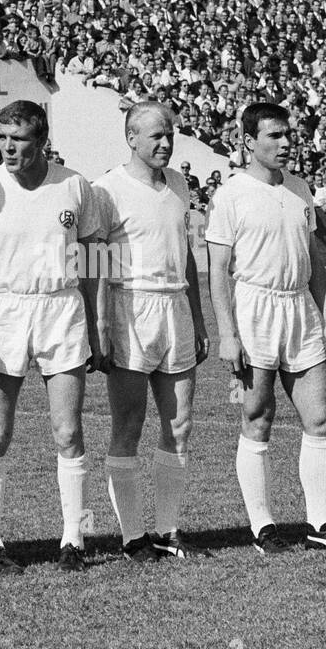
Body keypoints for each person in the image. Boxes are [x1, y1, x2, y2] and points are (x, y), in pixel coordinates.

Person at [0, 100, 102, 574]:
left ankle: (73, 540)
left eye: (18, 139)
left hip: (62, 308)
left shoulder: (75, 185)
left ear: (41, 143)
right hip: (4, 309)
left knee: (68, 430)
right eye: (2, 138)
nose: (8, 147)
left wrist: (97, 323)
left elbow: (96, 257)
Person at [207, 102, 326, 553]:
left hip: (299, 308)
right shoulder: (231, 194)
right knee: (258, 416)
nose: (285, 143)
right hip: (254, 307)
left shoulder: (300, 189)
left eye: (288, 135)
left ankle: (319, 524)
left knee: (322, 417)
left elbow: (315, 263)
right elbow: (217, 270)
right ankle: (262, 527)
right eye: (274, 136)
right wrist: (228, 333)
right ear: (249, 141)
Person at [93, 101, 209, 560]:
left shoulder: (178, 185)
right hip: (129, 306)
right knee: (128, 423)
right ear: (131, 139)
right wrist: (100, 322)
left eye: (170, 134)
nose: (166, 142)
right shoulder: (106, 189)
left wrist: (198, 317)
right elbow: (94, 260)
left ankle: (168, 529)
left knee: (179, 423)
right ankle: (131, 537)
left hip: (175, 306)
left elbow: (185, 256)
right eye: (156, 135)